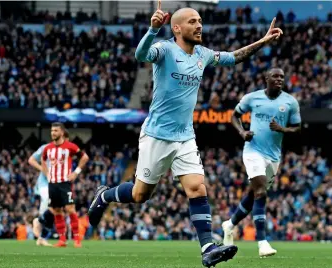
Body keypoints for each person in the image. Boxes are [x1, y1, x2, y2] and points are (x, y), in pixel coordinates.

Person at [88, 1, 282, 266]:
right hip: (157, 135)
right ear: (176, 28)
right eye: (192, 21)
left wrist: (263, 40)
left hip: (185, 137)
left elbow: (234, 57)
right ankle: (105, 195)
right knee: (140, 195)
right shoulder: (164, 49)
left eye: (200, 20)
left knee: (196, 187)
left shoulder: (202, 54)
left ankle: (207, 249)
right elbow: (141, 55)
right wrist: (152, 30)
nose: (199, 25)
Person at [222, 68, 301, 257]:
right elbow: (234, 116)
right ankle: (263, 243)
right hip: (253, 151)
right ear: (266, 78)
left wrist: (283, 129)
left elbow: (297, 128)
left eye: (282, 76)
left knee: (253, 195)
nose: (279, 79)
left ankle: (230, 224)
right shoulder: (252, 98)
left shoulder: (290, 102)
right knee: (260, 192)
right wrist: (242, 132)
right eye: (275, 76)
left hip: (273, 156)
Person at [42, 123, 89, 247]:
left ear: (62, 133)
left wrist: (76, 172)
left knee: (70, 209)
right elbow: (43, 160)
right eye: (52, 130)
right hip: (52, 184)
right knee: (57, 211)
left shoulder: (70, 146)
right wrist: (47, 174)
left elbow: (84, 157)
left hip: (65, 183)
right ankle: (62, 240)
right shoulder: (48, 148)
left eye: (56, 131)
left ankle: (77, 239)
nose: (53, 133)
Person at [31, 130, 70, 246]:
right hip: (44, 184)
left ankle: (41, 236)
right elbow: (31, 160)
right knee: (53, 206)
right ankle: (39, 222)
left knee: (55, 211)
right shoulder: (46, 148)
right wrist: (43, 169)